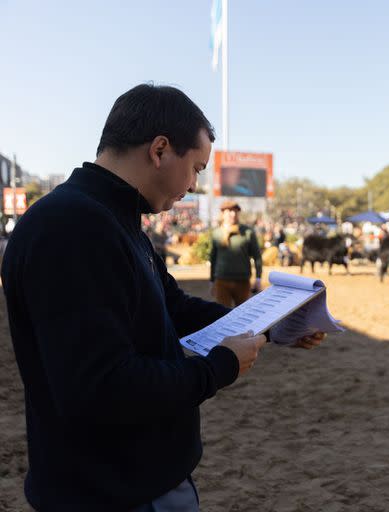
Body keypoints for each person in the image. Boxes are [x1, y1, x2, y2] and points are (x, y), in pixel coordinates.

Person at [0, 84, 326, 511]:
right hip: (112, 490)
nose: (193, 185)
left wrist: (271, 324)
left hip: (138, 479)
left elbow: (173, 306)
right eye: (195, 168)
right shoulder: (73, 226)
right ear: (159, 150)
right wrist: (218, 368)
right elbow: (101, 387)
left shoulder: (114, 218)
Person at [210, 201, 263, 306]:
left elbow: (257, 256)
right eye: (229, 211)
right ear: (223, 213)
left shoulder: (247, 232)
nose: (233, 214)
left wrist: (258, 278)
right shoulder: (216, 233)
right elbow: (213, 258)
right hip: (221, 281)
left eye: (235, 211)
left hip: (242, 281)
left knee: (242, 315)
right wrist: (211, 280)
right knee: (223, 316)